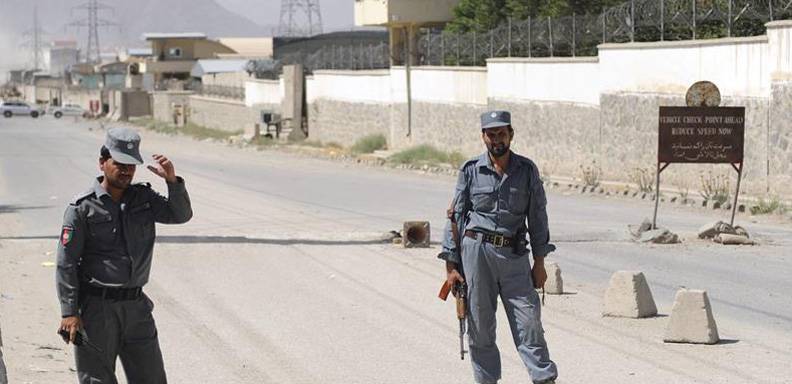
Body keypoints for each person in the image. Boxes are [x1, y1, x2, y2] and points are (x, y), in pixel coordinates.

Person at [56, 127, 192, 383]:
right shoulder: (81, 208)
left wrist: (172, 183)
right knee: (98, 380)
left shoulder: (144, 198)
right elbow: (67, 263)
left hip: (136, 309)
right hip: (97, 310)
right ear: (102, 163)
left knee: (151, 378)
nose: (126, 171)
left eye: (131, 165)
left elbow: (179, 215)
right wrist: (69, 312)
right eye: (119, 163)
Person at [439, 111, 558, 384]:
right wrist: (451, 267)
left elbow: (538, 219)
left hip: (514, 256)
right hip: (476, 253)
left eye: (501, 134)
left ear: (511, 135)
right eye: (490, 135)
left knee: (529, 322)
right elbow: (455, 217)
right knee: (480, 326)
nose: (496, 140)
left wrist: (539, 264)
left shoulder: (527, 170)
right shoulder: (470, 170)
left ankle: (543, 378)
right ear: (483, 137)